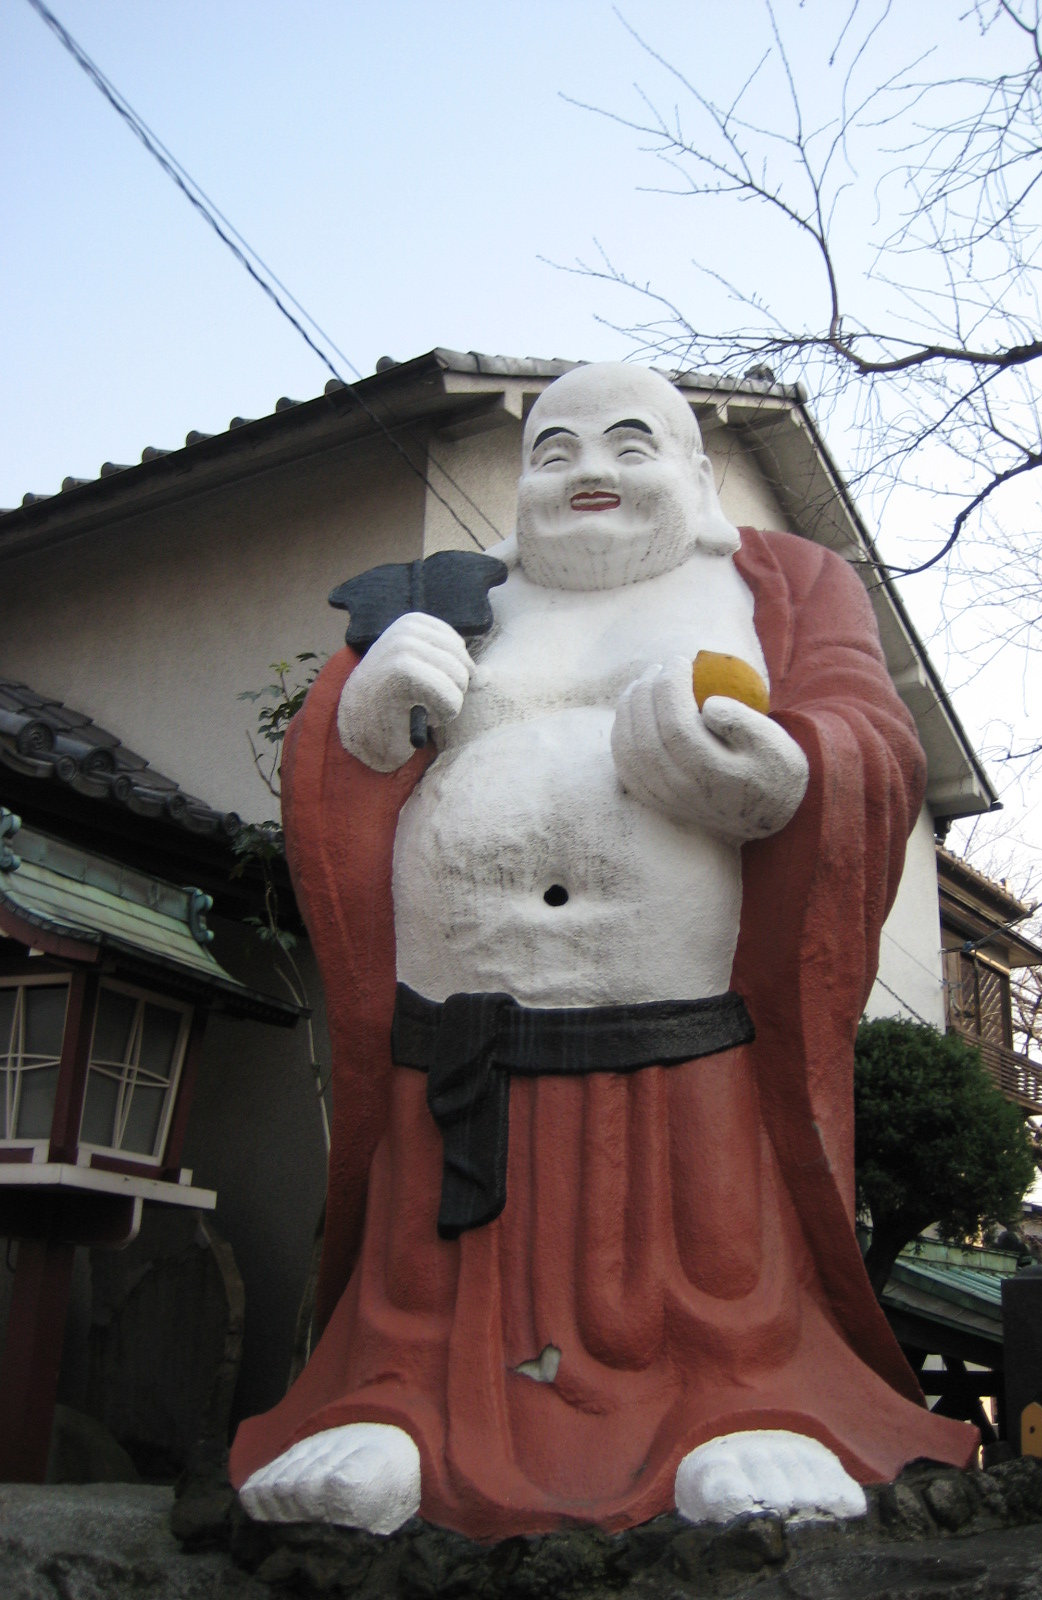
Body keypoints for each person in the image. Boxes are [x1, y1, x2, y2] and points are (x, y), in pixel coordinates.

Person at [231, 363, 976, 1539]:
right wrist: (365, 715)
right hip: (459, 1034)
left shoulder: (781, 583)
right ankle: (396, 1400)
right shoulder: (456, 596)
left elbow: (871, 736)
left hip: (684, 1028)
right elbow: (345, 770)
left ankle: (740, 1401)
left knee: (707, 1245)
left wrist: (787, 772)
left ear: (698, 474)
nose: (589, 471)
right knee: (430, 1251)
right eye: (554, 449)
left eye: (631, 445)